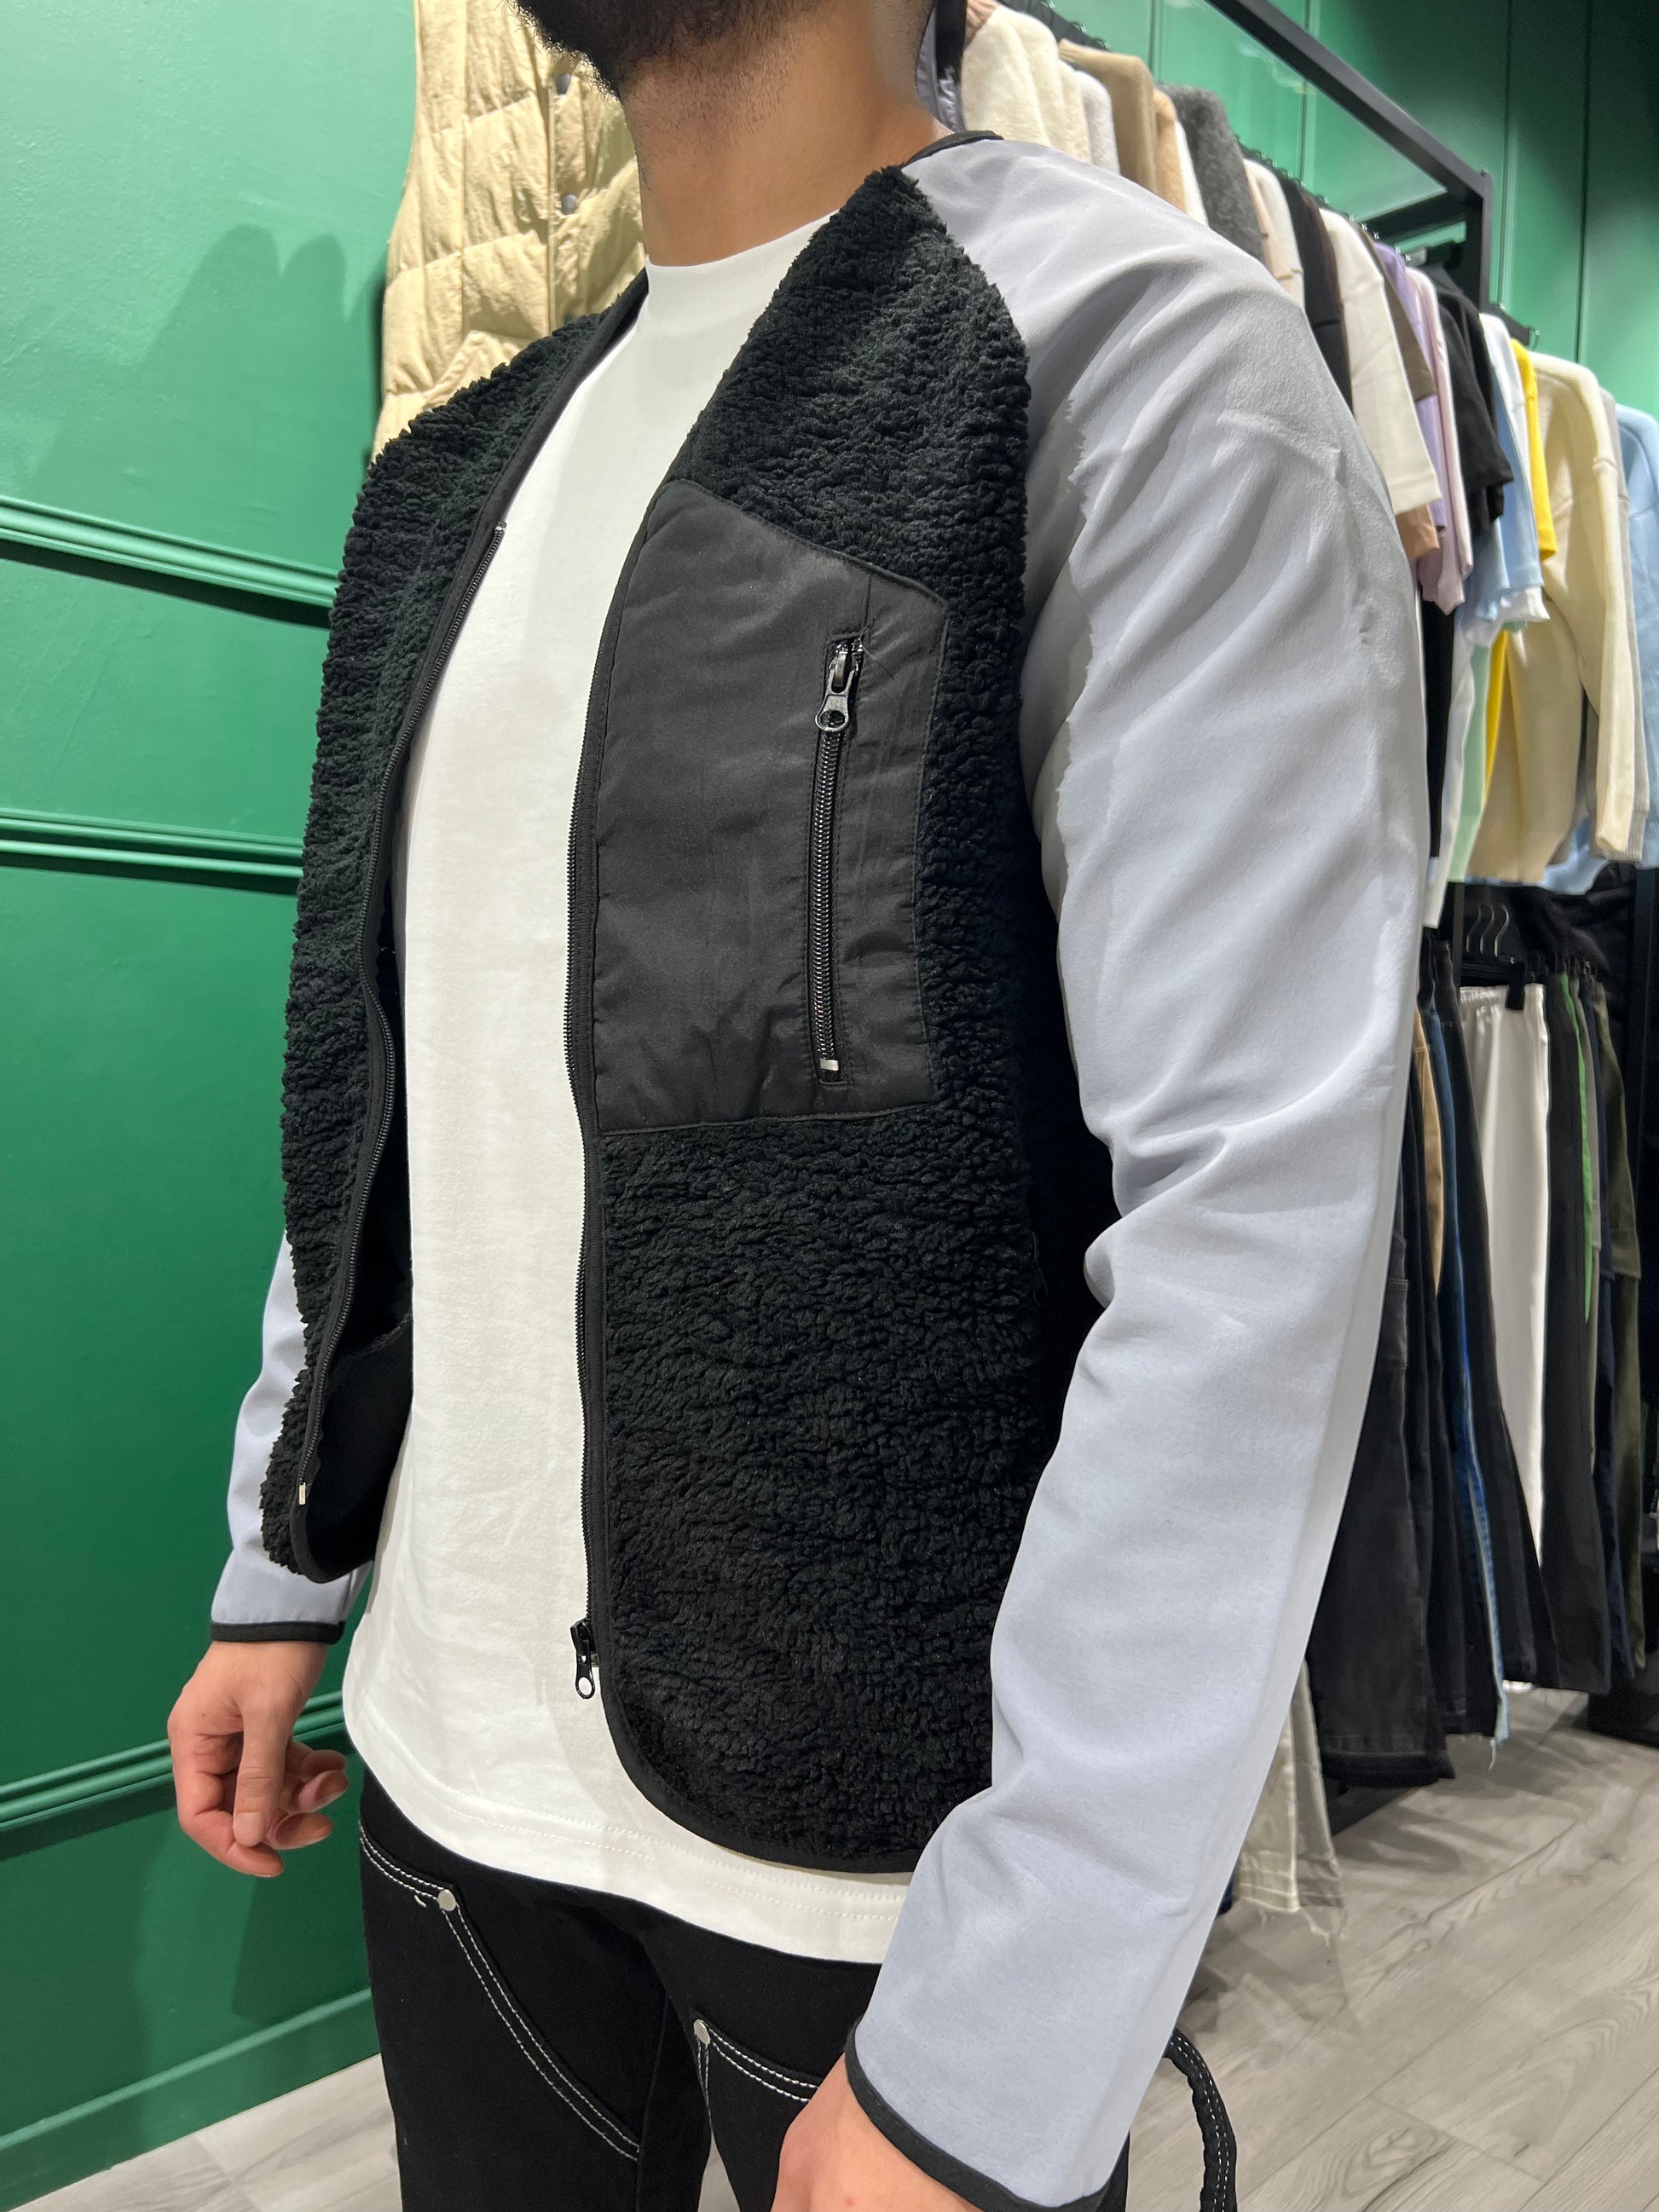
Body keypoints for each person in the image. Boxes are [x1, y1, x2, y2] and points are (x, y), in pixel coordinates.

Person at [167, 2, 1427, 2206]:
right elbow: (380, 1085)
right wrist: (285, 1558)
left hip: (869, 1868)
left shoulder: (1136, 362)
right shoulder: (455, 473)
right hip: (451, 1787)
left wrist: (1013, 2028)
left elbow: (1251, 1240)